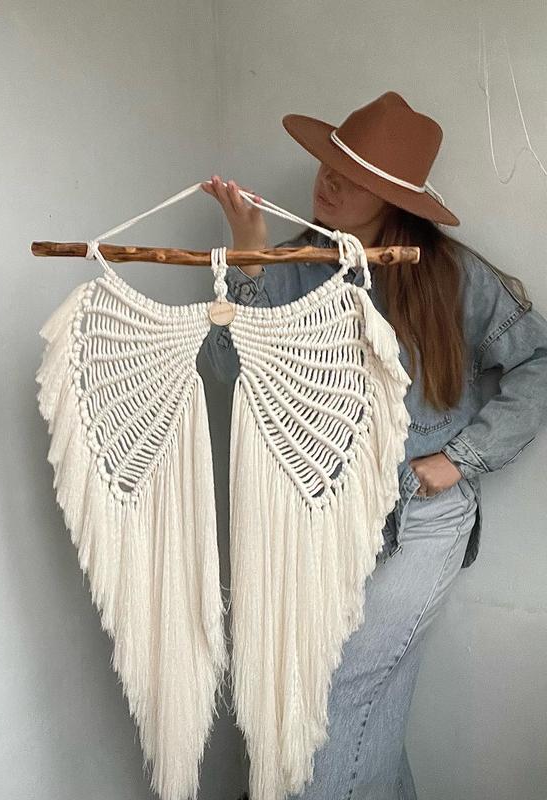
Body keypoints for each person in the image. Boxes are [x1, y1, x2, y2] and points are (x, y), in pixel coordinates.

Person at [199, 91, 547, 799]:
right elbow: (226, 371)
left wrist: (462, 459)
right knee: (358, 706)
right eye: (328, 166)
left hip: (422, 520)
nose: (328, 182)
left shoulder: (451, 275)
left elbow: (538, 361)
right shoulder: (289, 263)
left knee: (336, 698)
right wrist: (249, 261)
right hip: (322, 519)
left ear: (393, 200)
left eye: (352, 179)